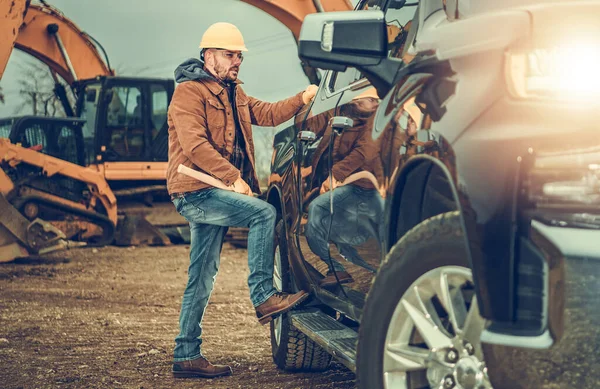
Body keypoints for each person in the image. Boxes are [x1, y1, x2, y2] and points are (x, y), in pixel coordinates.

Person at [166, 22, 318, 379]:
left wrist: (302, 99)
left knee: (201, 275)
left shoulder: (233, 92)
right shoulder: (189, 93)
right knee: (264, 214)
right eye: (230, 54)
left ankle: (186, 353)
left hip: (212, 191)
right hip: (194, 190)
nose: (237, 61)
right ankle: (264, 296)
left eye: (239, 55)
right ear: (209, 56)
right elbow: (194, 146)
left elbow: (264, 113)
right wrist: (232, 177)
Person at [304, 88, 384, 287]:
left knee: (319, 209)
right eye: (370, 99)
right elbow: (314, 132)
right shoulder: (340, 113)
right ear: (355, 101)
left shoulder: (378, 119)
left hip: (365, 186)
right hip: (350, 184)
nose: (376, 103)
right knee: (322, 216)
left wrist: (335, 175)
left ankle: (346, 271)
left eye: (377, 100)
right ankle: (340, 270)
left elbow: (365, 151)